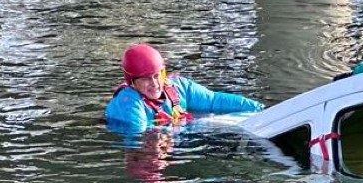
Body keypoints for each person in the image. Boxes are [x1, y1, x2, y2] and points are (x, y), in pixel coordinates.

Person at [104, 43, 264, 134]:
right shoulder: (128, 102)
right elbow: (138, 135)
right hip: (164, 148)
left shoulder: (178, 87)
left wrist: (259, 109)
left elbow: (214, 100)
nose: (154, 83)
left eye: (157, 75)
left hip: (180, 138)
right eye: (146, 78)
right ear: (132, 82)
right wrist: (193, 125)